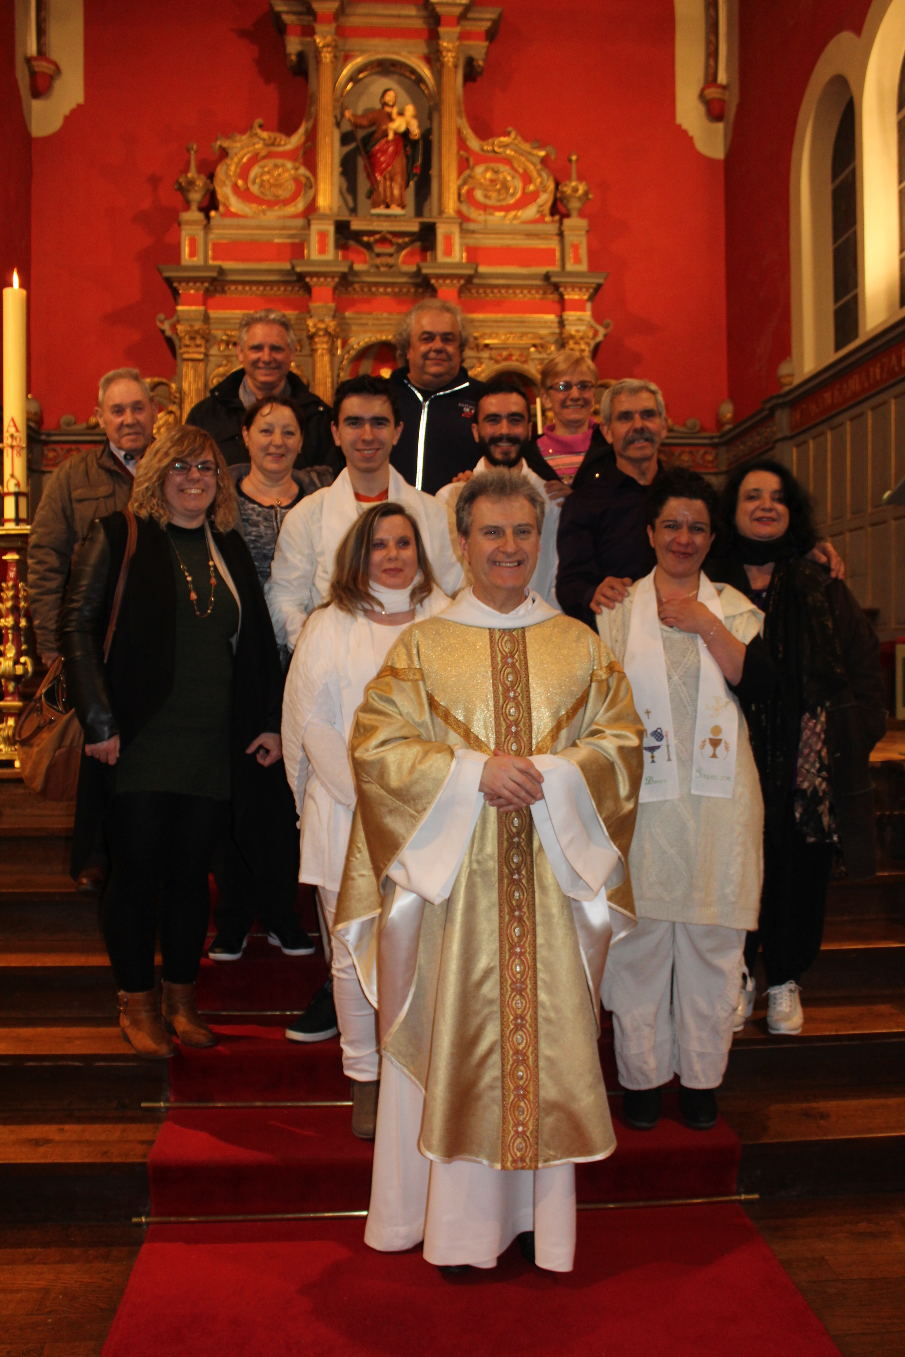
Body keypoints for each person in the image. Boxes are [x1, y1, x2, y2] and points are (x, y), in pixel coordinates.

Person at [335, 469, 642, 1273]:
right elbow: (377, 746)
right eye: (491, 533)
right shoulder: (422, 645)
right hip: (454, 892)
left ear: (540, 541)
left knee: (543, 1037)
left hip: (549, 882)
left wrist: (555, 776)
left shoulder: (580, 643)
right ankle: (455, 1229)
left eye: (522, 532)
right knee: (455, 1037)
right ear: (463, 542)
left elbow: (620, 744)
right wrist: (474, 772)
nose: (508, 547)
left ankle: (538, 1220)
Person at [59, 426, 285, 1059]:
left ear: (220, 482)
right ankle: (137, 1001)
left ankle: (182, 1000)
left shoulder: (228, 545)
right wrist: (99, 722)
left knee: (190, 877)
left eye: (206, 468)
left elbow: (256, 643)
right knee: (135, 874)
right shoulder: (118, 534)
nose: (194, 478)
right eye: (180, 466)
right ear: (157, 473)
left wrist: (267, 721)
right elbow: (77, 628)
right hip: (136, 739)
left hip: (212, 743)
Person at [597, 468, 767, 1132]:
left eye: (696, 527)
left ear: (711, 537)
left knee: (712, 940)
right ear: (649, 532)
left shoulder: (739, 610)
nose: (683, 538)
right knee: (638, 942)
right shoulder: (615, 610)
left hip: (720, 803)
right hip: (643, 803)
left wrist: (705, 623)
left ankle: (700, 1076)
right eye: (671, 524)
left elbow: (759, 685)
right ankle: (642, 1076)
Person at [281, 504, 449, 1136]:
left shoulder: (447, 618)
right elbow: (312, 722)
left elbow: (460, 720)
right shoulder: (329, 624)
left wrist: (414, 794)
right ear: (359, 554)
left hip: (431, 815)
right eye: (379, 544)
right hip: (344, 810)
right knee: (352, 950)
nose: (393, 555)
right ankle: (366, 1078)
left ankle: (419, 1074)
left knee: (428, 950)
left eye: (404, 543)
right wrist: (365, 795)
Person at [712, 460, 886, 1036]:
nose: (766, 505)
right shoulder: (708, 581)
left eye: (778, 497)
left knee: (799, 871)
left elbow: (863, 670)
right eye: (752, 496)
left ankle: (786, 978)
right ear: (732, 510)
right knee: (734, 869)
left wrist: (852, 732)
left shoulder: (820, 581)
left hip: (806, 765)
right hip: (726, 755)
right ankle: (738, 973)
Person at [207, 395, 333, 962]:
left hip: (303, 657)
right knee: (239, 789)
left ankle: (283, 912)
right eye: (266, 430)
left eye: (288, 432)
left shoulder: (323, 500)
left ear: (301, 441)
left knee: (288, 792)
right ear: (246, 436)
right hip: (237, 661)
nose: (277, 442)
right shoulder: (222, 499)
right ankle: (234, 916)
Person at [266, 375, 461, 651]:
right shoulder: (307, 515)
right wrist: (316, 648)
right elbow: (284, 599)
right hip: (334, 662)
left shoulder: (434, 514)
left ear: (397, 431)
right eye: (354, 423)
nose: (367, 435)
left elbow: (456, 592)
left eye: (379, 423)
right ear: (336, 433)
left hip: (419, 662)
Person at [28, 368, 156, 667]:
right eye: (117, 411)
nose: (129, 419)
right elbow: (46, 558)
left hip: (162, 627)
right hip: (92, 632)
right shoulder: (72, 475)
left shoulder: (179, 470)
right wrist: (50, 642)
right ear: (100, 417)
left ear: (154, 410)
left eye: (138, 408)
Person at [436, 375, 564, 605]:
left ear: (529, 429)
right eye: (493, 420)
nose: (504, 431)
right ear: (476, 430)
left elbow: (558, 580)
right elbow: (443, 576)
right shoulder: (449, 499)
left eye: (515, 420)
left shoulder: (553, 499)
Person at [556, 378, 668, 627]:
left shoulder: (686, 494)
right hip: (614, 630)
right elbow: (570, 585)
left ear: (664, 426)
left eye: (648, 415)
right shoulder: (584, 502)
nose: (638, 426)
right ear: (607, 432)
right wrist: (593, 593)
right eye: (625, 418)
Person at [186, 309, 337, 470]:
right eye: (257, 348)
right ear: (240, 352)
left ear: (292, 353)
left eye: (276, 349)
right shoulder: (205, 415)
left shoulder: (318, 418)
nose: (266, 358)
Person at [387, 300, 486, 494]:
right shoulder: (382, 397)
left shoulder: (484, 399)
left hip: (456, 511)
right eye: (427, 338)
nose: (438, 346)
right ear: (407, 348)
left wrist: (483, 478)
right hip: (387, 509)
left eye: (448, 339)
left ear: (460, 349)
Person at [343, 88, 422, 212]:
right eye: (388, 95)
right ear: (382, 99)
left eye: (393, 96)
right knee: (380, 177)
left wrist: (414, 132)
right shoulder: (378, 114)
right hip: (380, 149)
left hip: (397, 149)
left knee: (398, 175)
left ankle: (396, 203)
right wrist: (351, 117)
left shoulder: (400, 116)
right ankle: (379, 202)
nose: (390, 98)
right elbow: (364, 121)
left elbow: (411, 133)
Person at [536, 351, 604, 486]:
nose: (575, 395)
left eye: (584, 386)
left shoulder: (611, 446)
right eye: (563, 386)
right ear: (546, 398)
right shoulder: (531, 455)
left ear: (593, 395)